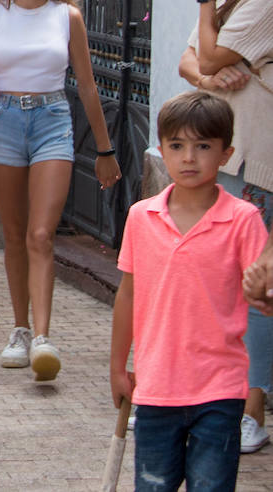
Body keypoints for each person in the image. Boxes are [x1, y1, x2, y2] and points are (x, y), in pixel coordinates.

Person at [0, 0, 117, 380]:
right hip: (5, 120)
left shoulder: (67, 16)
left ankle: (44, 338)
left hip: (52, 121)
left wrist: (105, 149)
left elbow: (87, 86)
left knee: (41, 234)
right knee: (13, 234)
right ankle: (21, 329)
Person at [111, 91, 265, 489]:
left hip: (220, 388)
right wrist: (117, 367)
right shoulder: (141, 218)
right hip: (156, 386)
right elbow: (127, 294)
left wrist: (265, 295)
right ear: (161, 149)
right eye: (177, 146)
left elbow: (261, 288)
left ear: (226, 153)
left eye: (203, 146)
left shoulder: (243, 220)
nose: (189, 158)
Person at [180, 0, 273, 451]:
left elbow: (208, 50)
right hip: (223, 146)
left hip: (258, 156)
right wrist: (208, 76)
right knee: (219, 279)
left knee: (255, 281)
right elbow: (191, 56)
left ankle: (253, 407)